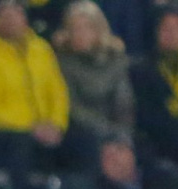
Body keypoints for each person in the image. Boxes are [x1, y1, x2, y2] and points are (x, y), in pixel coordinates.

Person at [0, 0, 69, 189]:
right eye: (6, 16)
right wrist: (32, 127)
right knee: (20, 143)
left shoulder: (41, 49)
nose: (12, 21)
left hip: (42, 129)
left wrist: (56, 124)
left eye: (16, 15)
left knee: (81, 139)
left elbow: (57, 92)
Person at [131, 6, 178, 171]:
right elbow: (148, 118)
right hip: (159, 146)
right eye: (166, 28)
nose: (173, 34)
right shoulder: (142, 70)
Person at [55, 1, 133, 147]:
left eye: (86, 28)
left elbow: (124, 103)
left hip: (116, 130)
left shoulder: (115, 58)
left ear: (98, 30)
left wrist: (122, 135)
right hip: (82, 133)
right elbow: (72, 107)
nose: (80, 34)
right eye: (74, 29)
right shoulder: (62, 61)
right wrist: (107, 131)